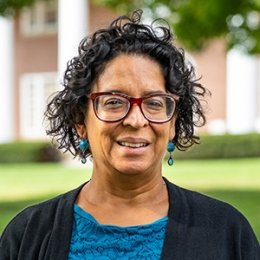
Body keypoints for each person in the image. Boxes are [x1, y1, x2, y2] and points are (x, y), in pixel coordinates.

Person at [0, 10, 259, 260]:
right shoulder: (27, 235)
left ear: (172, 124)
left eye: (155, 103)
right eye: (113, 102)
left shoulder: (227, 232)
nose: (136, 120)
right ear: (81, 121)